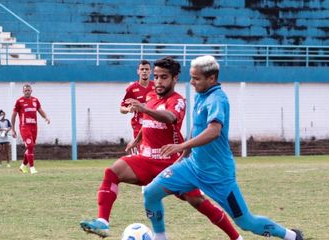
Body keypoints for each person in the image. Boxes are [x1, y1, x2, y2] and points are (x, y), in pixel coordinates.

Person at [143, 55, 304, 240]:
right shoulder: (201, 96)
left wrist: (181, 145)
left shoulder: (217, 99)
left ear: (211, 79)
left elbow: (213, 131)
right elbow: (197, 129)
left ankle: (292, 236)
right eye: (191, 77)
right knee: (150, 193)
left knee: (246, 222)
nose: (192, 82)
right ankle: (160, 237)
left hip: (218, 174)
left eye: (196, 78)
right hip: (193, 167)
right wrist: (182, 157)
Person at [80, 57, 242, 240]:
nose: (158, 81)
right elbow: (149, 122)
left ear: (175, 78)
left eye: (163, 77)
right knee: (112, 172)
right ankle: (103, 222)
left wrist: (144, 109)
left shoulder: (178, 101)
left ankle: (236, 237)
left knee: (198, 201)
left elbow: (169, 117)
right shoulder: (150, 97)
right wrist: (137, 139)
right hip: (146, 159)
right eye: (156, 77)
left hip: (170, 163)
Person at [11, 84, 50, 174]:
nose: (27, 92)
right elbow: (13, 115)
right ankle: (32, 168)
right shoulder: (19, 101)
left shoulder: (35, 100)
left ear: (31, 91)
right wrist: (12, 129)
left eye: (29, 90)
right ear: (23, 91)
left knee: (30, 147)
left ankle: (23, 166)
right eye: (25, 90)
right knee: (30, 146)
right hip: (24, 127)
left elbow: (40, 110)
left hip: (34, 127)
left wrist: (46, 117)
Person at [120, 60, 154, 138]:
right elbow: (122, 109)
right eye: (142, 69)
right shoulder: (132, 88)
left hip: (154, 125)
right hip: (138, 127)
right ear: (138, 71)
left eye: (147, 69)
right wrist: (128, 109)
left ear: (150, 71)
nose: (144, 71)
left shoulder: (156, 87)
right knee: (140, 149)